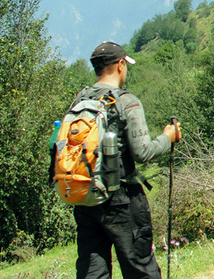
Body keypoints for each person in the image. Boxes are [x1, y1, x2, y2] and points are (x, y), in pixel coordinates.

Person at [74, 42, 181, 279]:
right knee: (139, 267)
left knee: (92, 270)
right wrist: (168, 137)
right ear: (120, 65)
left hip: (85, 196)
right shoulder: (127, 102)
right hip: (121, 199)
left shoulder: (80, 100)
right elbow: (142, 153)